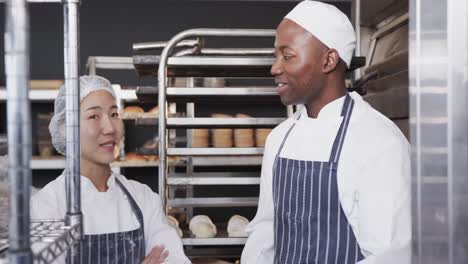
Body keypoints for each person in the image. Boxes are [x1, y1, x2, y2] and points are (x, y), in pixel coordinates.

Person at [241, 1, 411, 263]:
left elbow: (392, 255)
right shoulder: (280, 138)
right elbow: (266, 231)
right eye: (275, 56)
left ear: (328, 60)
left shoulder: (378, 142)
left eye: (287, 56)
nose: (274, 68)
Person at [31, 75, 191, 264]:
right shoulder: (46, 207)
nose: (109, 128)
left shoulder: (143, 199)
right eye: (94, 116)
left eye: (114, 114)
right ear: (67, 129)